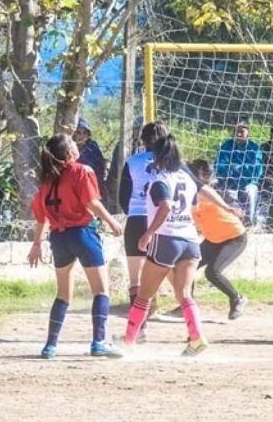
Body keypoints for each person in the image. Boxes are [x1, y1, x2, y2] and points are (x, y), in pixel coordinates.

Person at [119, 135, 239, 355]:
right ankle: (196, 338)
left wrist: (148, 234)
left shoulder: (160, 180)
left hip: (167, 239)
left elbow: (164, 208)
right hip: (191, 241)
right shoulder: (187, 177)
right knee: (184, 294)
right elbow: (196, 200)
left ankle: (128, 341)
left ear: (157, 156)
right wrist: (226, 207)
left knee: (144, 294)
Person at [27, 133, 124, 359]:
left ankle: (50, 346)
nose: (76, 145)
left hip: (58, 238)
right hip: (82, 233)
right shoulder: (82, 171)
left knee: (63, 294)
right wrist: (111, 221)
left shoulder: (47, 181)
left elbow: (42, 219)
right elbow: (91, 203)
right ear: (69, 153)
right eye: (73, 143)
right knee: (101, 290)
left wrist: (36, 245)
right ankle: (99, 342)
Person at [118, 121, 169, 341]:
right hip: (163, 220)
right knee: (176, 275)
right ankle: (192, 331)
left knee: (136, 279)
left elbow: (123, 196)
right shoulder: (172, 163)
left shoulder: (132, 162)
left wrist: (133, 211)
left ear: (142, 140)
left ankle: (139, 329)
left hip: (138, 218)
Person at [189, 159, 249, 320]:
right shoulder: (189, 191)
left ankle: (238, 298)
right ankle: (187, 305)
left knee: (212, 272)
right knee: (188, 266)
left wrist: (227, 207)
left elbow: (204, 194)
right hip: (213, 239)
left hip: (234, 237)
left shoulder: (202, 191)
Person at [215, 123, 264, 226]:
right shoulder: (226, 146)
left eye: (242, 131)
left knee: (250, 192)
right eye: (237, 131)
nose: (239, 134)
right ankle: (229, 223)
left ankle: (249, 223)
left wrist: (236, 167)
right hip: (228, 181)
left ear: (248, 133)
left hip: (248, 182)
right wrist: (234, 171)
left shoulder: (254, 148)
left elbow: (257, 170)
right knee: (226, 192)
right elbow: (219, 167)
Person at [106, 116, 144, 213]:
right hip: (122, 182)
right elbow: (114, 170)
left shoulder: (148, 148)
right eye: (136, 129)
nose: (139, 132)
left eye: (141, 130)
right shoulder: (122, 145)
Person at [73, 118, 107, 194]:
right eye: (78, 132)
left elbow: (100, 168)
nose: (82, 136)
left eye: (85, 133)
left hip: (90, 186)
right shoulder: (68, 147)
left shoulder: (93, 147)